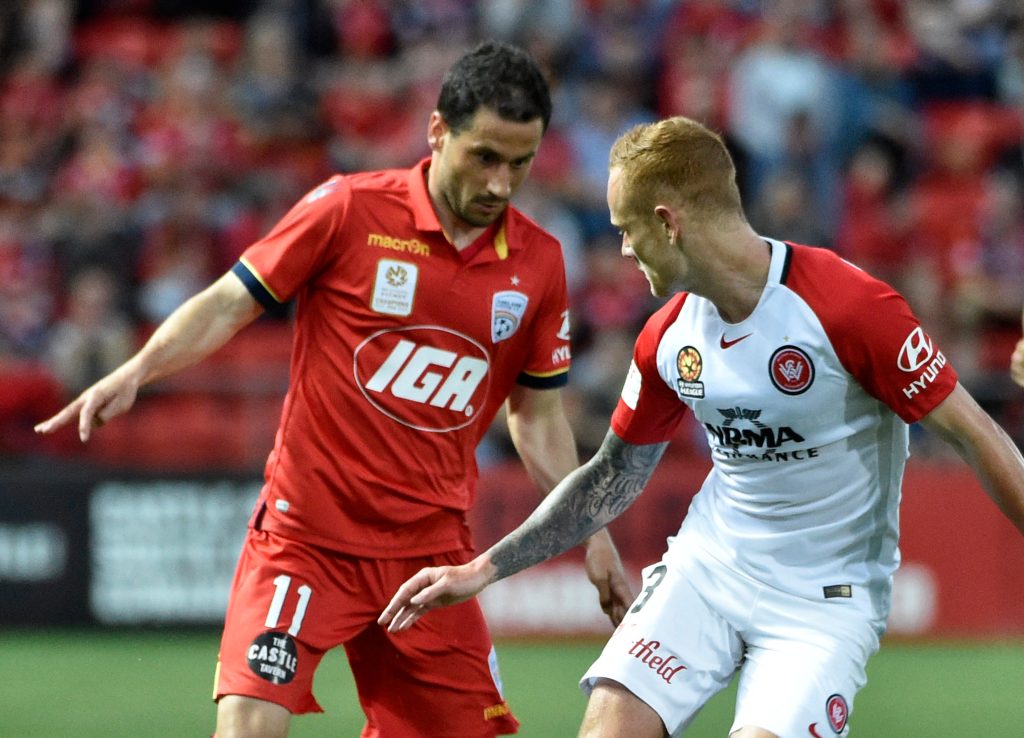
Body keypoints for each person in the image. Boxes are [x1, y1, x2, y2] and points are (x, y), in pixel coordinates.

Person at [35, 40, 633, 738]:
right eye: (485, 157)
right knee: (248, 729)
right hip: (307, 537)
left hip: (430, 555)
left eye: (520, 163)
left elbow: (536, 418)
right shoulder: (349, 209)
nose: (501, 184)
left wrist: (590, 532)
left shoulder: (540, 262)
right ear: (437, 131)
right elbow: (231, 302)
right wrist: (139, 368)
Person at [379, 116, 1024, 738]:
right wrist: (483, 570)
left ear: (667, 223)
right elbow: (610, 477)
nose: (623, 250)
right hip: (707, 571)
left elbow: (974, 432)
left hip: (822, 602)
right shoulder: (667, 337)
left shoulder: (848, 307)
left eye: (627, 230)